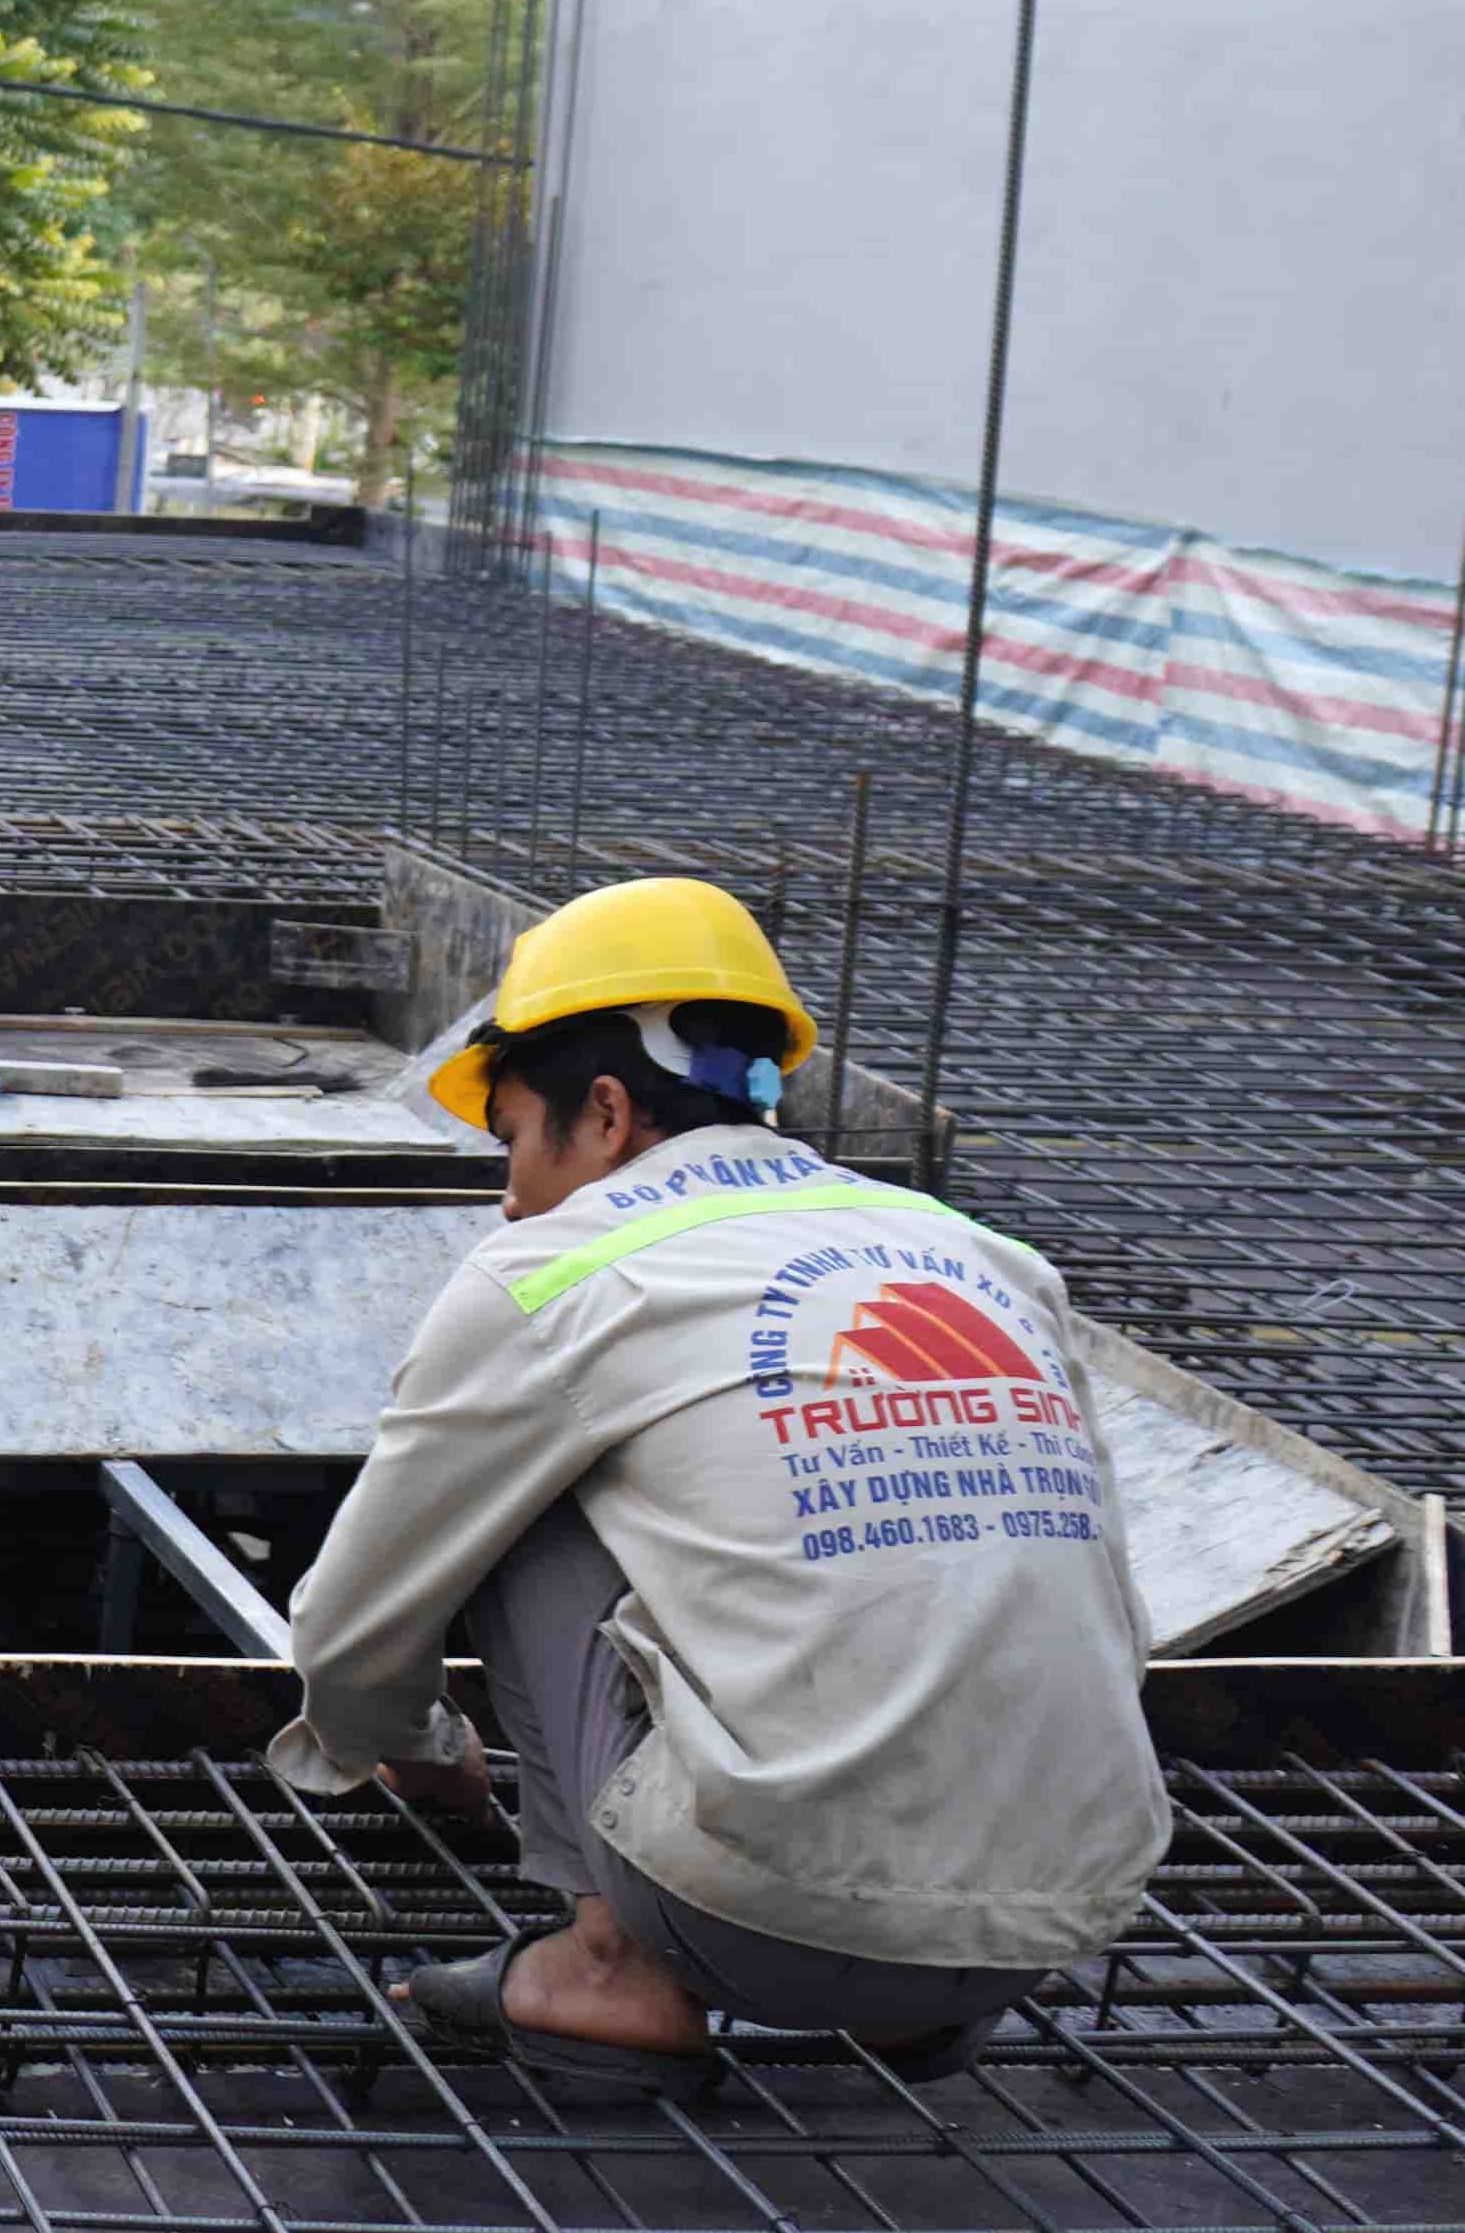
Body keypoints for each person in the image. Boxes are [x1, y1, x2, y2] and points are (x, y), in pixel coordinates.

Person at [270, 874, 1169, 2105]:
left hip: (763, 1915)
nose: (510, 1192)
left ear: (604, 1110)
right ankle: (923, 2001)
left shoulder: (554, 1271)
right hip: (1057, 1916)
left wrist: (417, 1754)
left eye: (513, 1138)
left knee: (517, 1488)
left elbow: (349, 1630)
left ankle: (606, 1967)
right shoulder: (987, 1257)